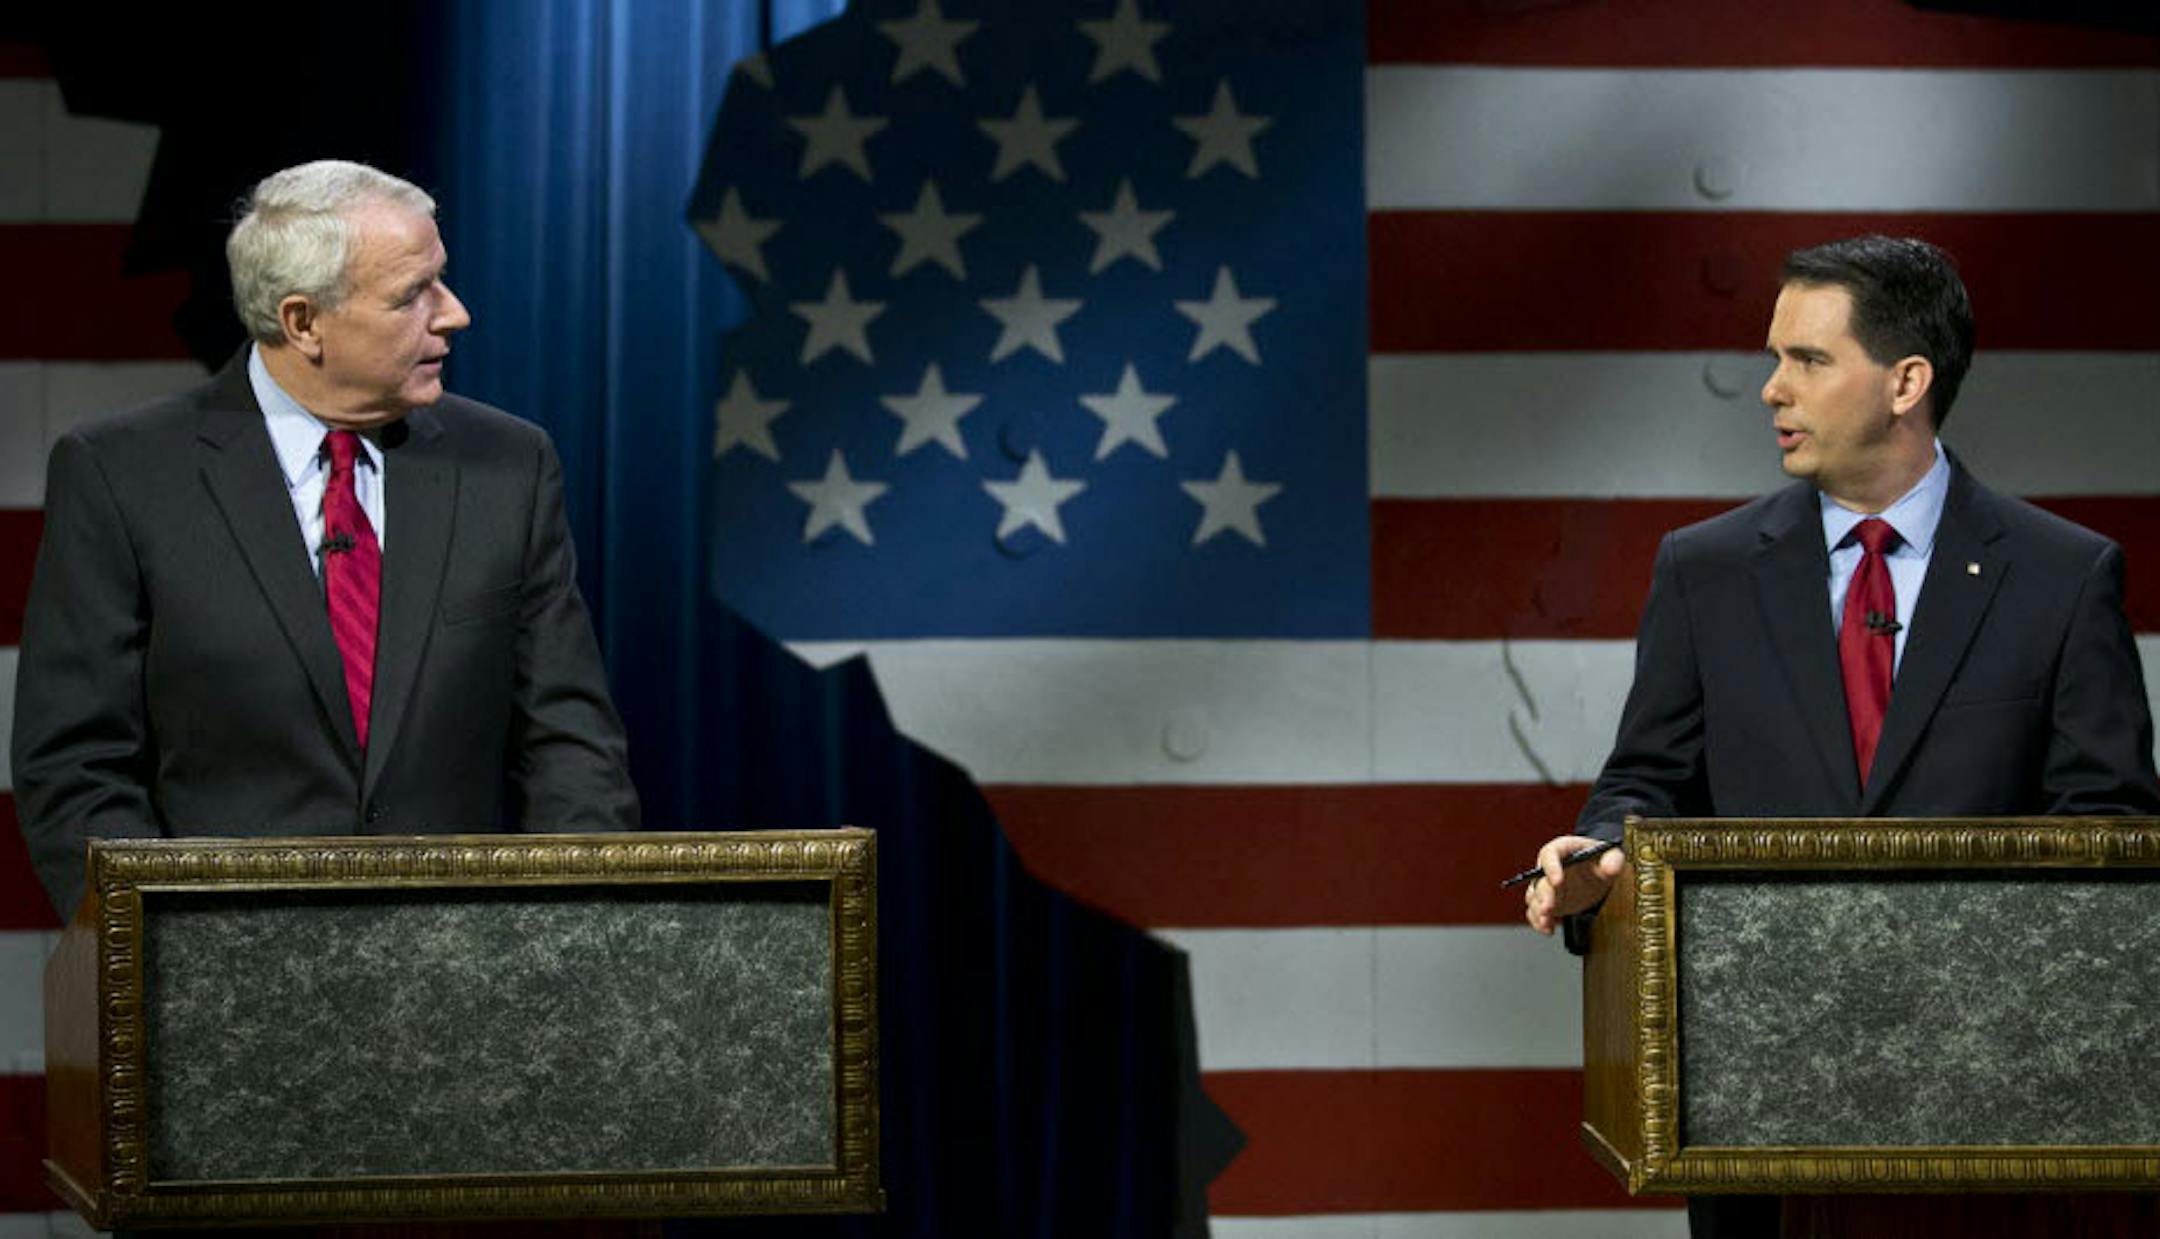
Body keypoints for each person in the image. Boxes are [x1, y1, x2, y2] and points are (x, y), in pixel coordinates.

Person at [1519, 235, 2160, 1236]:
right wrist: (1605, 858)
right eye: (1775, 357)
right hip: (1757, 1119)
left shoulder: (2062, 577)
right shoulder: (1705, 570)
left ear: (1907, 381)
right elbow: (1646, 779)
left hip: (1986, 1126)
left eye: (1809, 360)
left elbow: (2110, 838)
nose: (1773, 389)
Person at [11, 160, 640, 920]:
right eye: (412, 295)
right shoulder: (122, 473)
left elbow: (570, 746)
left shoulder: (508, 465)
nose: (454, 314)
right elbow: (76, 765)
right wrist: (165, 949)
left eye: (441, 280)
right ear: (303, 322)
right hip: (222, 964)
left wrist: (572, 940)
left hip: (467, 965)